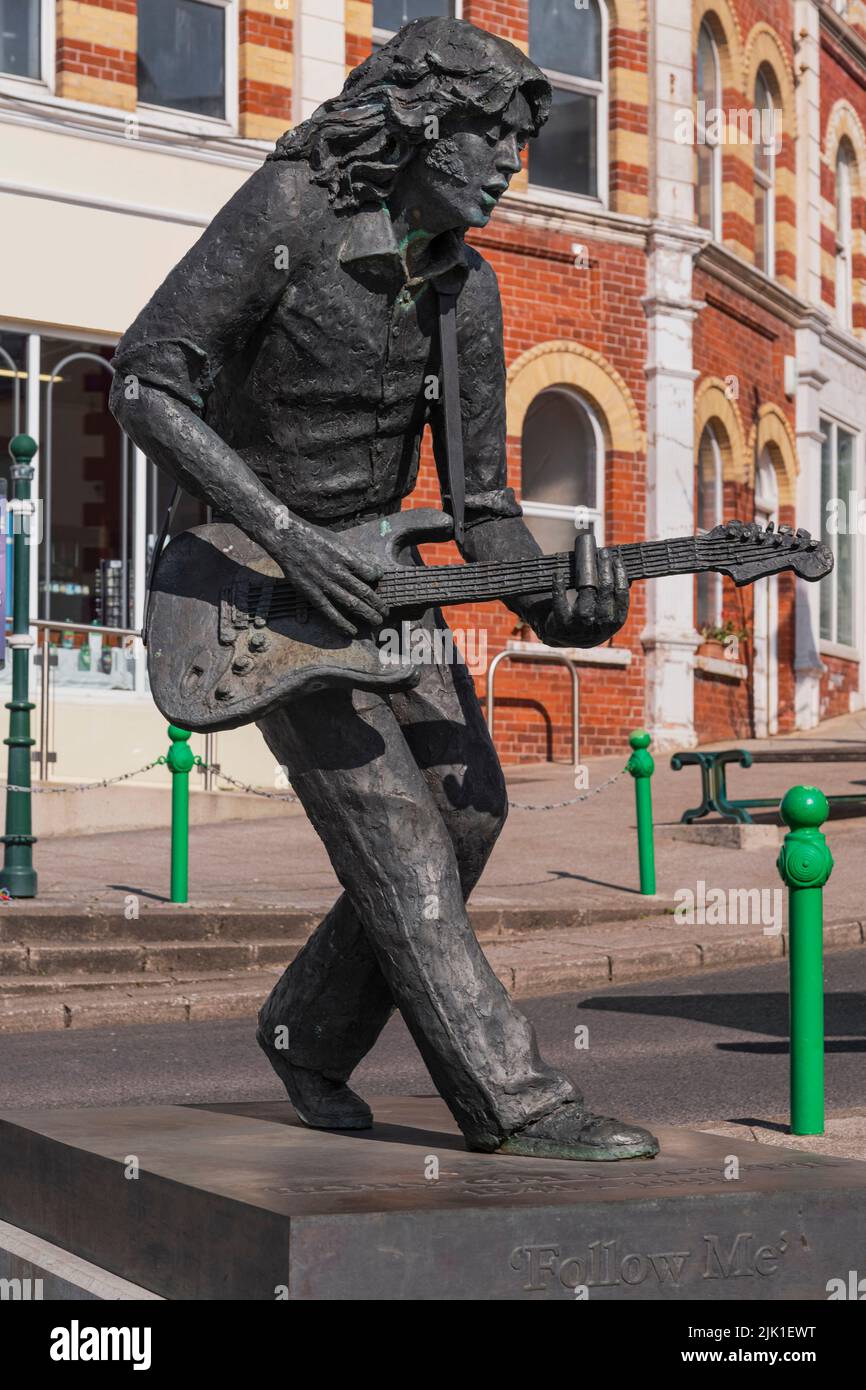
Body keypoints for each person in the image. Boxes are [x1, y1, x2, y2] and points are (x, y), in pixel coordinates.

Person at [110, 17, 657, 1162]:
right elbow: (147, 381)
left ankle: (309, 1030)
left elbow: (482, 506)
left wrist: (570, 606)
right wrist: (277, 529)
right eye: (492, 137)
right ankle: (515, 1102)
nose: (511, 165)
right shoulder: (291, 214)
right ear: (420, 120)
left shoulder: (465, 291)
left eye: (519, 142)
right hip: (248, 589)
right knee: (402, 838)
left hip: (385, 591)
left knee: (469, 812)